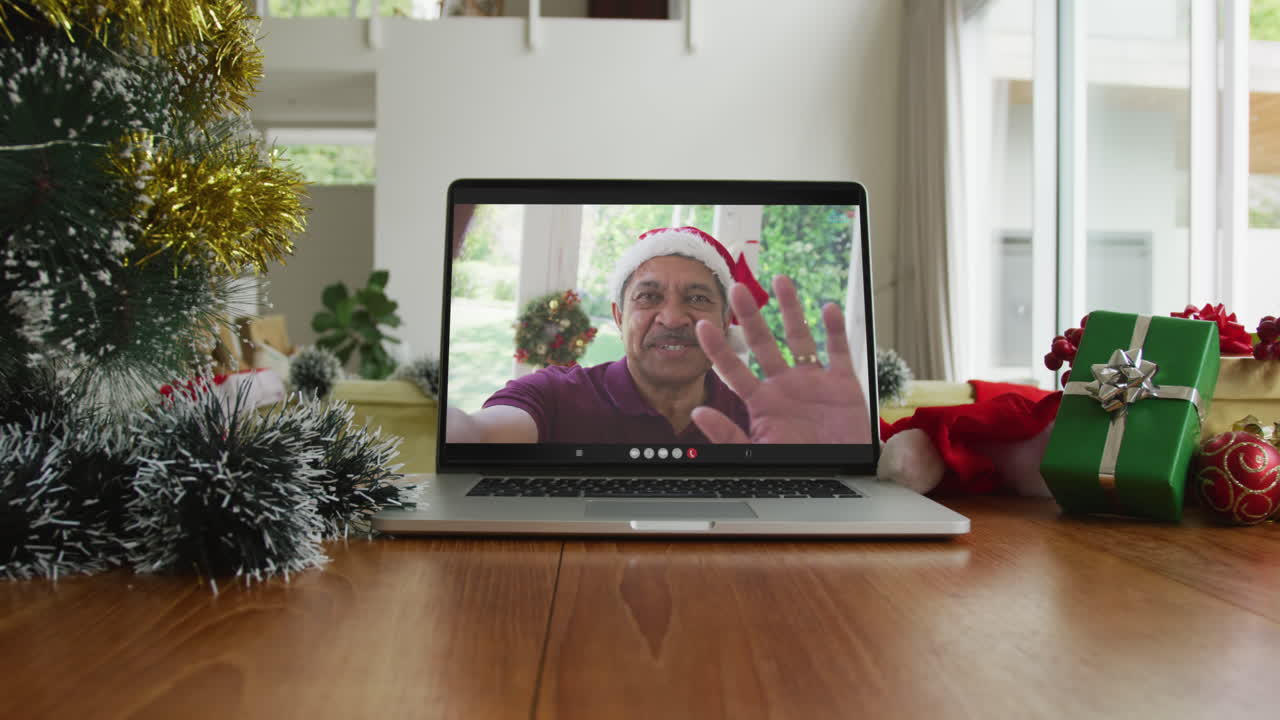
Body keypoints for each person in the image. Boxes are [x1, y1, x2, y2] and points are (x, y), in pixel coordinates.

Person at [445, 226, 872, 445]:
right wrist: (453, 430)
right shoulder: (552, 394)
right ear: (618, 315)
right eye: (649, 296)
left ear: (726, 323)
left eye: (698, 298)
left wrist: (849, 449)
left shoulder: (765, 415)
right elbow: (480, 433)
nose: (672, 317)